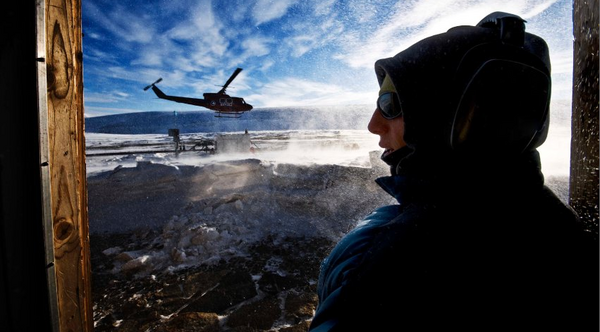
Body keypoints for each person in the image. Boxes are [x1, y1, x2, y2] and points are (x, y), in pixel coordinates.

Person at [309, 12, 598, 331]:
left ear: (449, 114)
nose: (373, 125)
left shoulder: (403, 258)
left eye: (391, 105)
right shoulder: (556, 224)